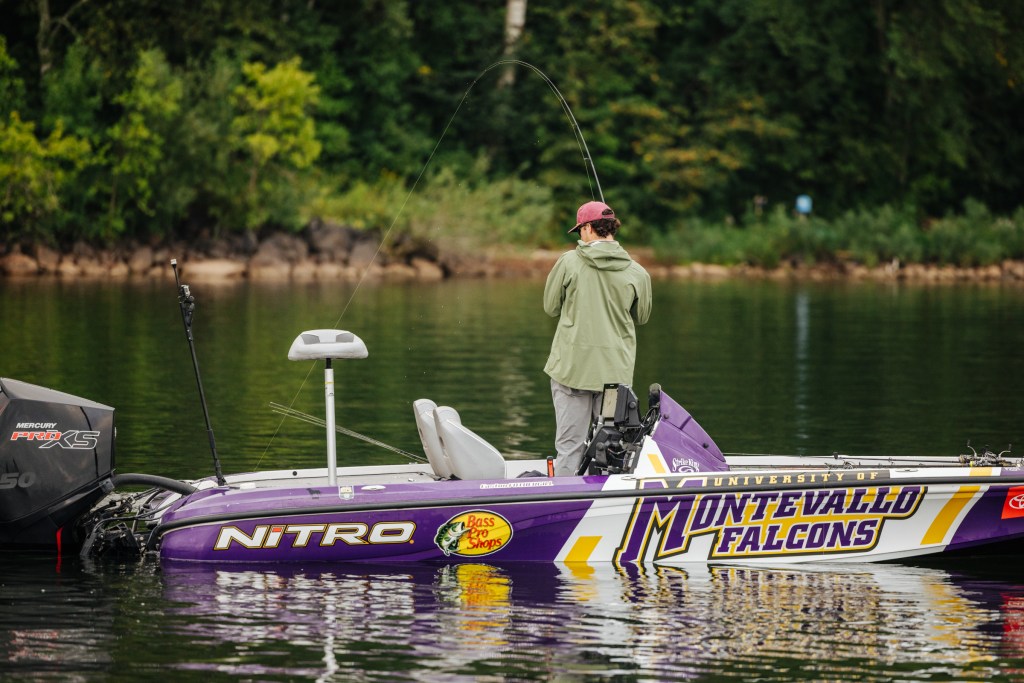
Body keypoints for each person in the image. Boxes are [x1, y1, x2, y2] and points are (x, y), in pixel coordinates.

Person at [543, 200, 652, 476]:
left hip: (571, 370)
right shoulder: (638, 273)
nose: (580, 236)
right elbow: (642, 317)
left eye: (580, 230)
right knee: (611, 447)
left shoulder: (568, 262)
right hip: (614, 376)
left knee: (569, 448)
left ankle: (565, 498)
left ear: (589, 228)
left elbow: (550, 307)